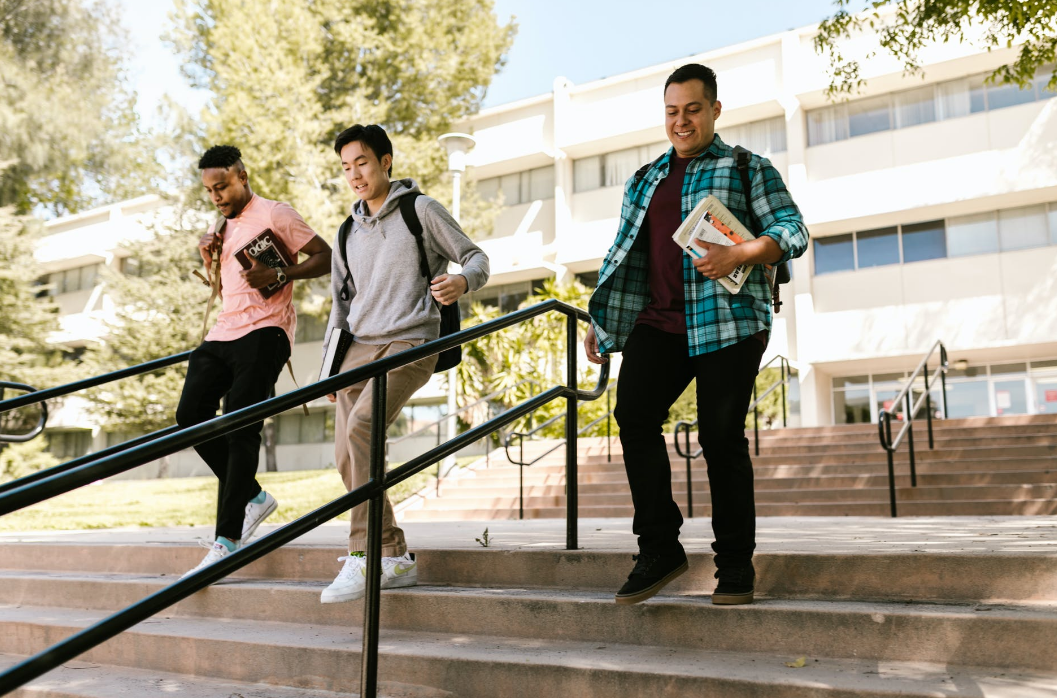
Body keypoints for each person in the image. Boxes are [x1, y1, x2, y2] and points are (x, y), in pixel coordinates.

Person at [584, 64, 809, 605]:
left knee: (720, 436)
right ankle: (659, 547)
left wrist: (743, 252)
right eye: (671, 111)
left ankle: (734, 566)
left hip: (728, 321)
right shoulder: (645, 178)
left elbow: (793, 230)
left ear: (714, 110)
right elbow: (626, 255)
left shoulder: (747, 167)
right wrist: (603, 320)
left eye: (692, 109)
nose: (680, 121)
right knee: (634, 417)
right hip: (657, 321)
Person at [319, 124, 489, 604]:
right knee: (346, 456)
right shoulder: (347, 231)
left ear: (386, 161)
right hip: (356, 349)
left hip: (411, 341)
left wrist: (462, 282)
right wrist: (328, 370)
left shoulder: (421, 210)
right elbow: (340, 306)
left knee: (363, 427)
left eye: (363, 163)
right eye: (346, 166)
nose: (354, 173)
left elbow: (476, 257)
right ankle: (392, 553)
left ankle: (362, 556)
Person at [178, 145, 332, 578]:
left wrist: (279, 274)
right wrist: (209, 253)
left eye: (222, 186)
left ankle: (226, 540)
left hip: (266, 333)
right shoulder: (221, 225)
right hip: (224, 332)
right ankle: (254, 497)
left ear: (243, 175)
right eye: (209, 190)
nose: (217, 196)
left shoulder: (276, 213)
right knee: (189, 416)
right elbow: (229, 288)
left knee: (240, 426)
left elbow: (325, 257)